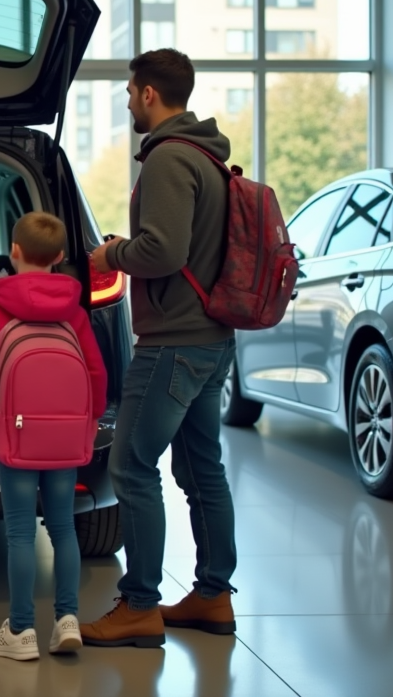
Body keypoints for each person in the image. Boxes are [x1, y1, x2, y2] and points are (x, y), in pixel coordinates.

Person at [83, 49, 238, 648]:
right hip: (210, 338)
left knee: (130, 466)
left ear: (150, 93)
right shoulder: (207, 155)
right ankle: (212, 595)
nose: (126, 102)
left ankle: (140, 604)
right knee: (203, 469)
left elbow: (165, 252)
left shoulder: (171, 159)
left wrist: (110, 254)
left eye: (129, 92)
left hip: (173, 342)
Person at [0, 211, 108, 661]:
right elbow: (94, 369)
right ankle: (67, 620)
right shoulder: (75, 309)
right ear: (60, 256)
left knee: (20, 532)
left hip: (16, 432)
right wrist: (90, 417)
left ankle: (20, 631)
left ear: (13, 252)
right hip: (65, 434)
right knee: (62, 528)